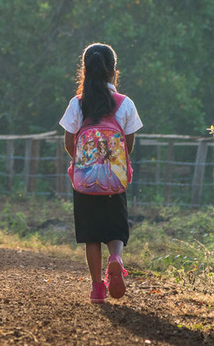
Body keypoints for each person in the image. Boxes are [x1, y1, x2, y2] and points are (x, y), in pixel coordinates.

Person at [59, 43, 143, 304]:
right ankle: (116, 259)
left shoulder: (78, 103)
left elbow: (68, 141)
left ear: (85, 69)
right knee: (115, 227)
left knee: (91, 234)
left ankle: (97, 287)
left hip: (85, 178)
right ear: (113, 71)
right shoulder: (125, 103)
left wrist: (83, 163)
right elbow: (128, 145)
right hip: (114, 178)